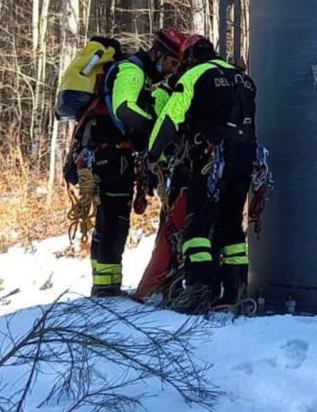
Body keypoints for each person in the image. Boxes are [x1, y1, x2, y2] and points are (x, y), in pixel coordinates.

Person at [147, 35, 257, 312]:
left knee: (197, 226)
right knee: (231, 224)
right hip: (244, 159)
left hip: (211, 158)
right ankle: (235, 291)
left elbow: (170, 117)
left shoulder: (195, 76)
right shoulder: (243, 79)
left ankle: (198, 292)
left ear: (189, 58)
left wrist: (152, 155)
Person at [89, 28, 185, 297]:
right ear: (158, 53)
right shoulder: (132, 71)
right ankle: (107, 288)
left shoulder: (139, 75)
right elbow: (124, 108)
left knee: (108, 217)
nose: (171, 70)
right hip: (112, 156)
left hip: (110, 155)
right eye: (172, 62)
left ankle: (103, 283)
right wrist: (156, 131)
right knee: (115, 219)